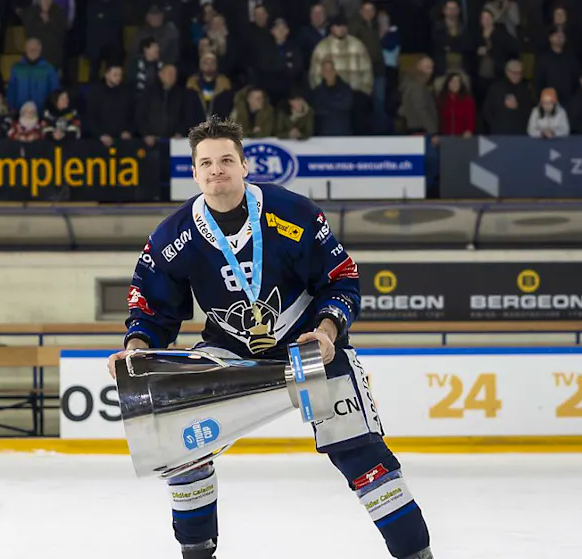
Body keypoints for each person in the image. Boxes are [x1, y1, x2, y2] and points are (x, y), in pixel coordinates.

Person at [106, 115, 434, 559]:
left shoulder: (291, 212)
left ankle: (416, 554)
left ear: (245, 166)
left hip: (307, 344)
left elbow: (342, 279)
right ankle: (197, 552)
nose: (216, 170)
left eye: (226, 160)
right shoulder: (172, 237)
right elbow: (150, 305)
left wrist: (327, 328)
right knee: (182, 438)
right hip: (228, 348)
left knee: (362, 453)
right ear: (194, 172)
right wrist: (137, 349)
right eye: (206, 163)